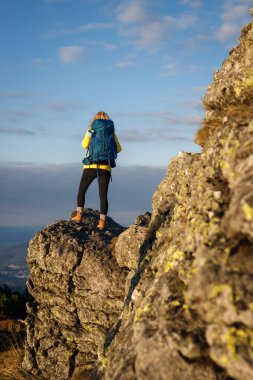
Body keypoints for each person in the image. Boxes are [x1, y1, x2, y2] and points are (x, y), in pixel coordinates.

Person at [70, 111, 122, 230]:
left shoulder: (91, 129)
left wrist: (90, 135)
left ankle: (78, 216)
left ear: (95, 120)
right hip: (106, 167)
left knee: (82, 190)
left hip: (91, 166)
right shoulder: (111, 132)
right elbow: (119, 149)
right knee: (103, 196)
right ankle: (102, 223)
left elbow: (84, 145)